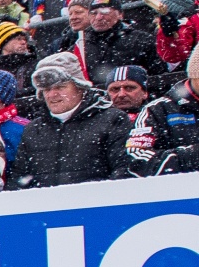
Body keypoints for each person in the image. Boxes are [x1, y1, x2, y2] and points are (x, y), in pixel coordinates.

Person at [11, 52, 133, 188]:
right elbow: (18, 180)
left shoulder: (113, 120)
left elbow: (124, 171)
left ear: (79, 86)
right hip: (46, 206)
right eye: (46, 89)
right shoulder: (33, 130)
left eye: (60, 87)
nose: (52, 94)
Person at [127, 45, 199, 175]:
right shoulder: (157, 110)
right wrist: (192, 156)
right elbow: (136, 158)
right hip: (179, 191)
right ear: (194, 76)